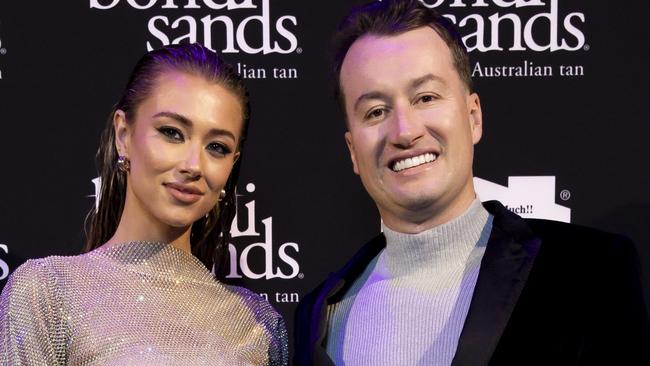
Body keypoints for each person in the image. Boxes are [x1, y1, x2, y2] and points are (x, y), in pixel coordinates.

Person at [294, 1, 650, 365]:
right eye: (376, 111)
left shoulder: (591, 272)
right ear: (354, 151)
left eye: (426, 97)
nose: (405, 130)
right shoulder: (317, 315)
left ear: (473, 116)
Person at [0, 43, 288, 365]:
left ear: (231, 164)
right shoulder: (48, 291)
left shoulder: (258, 326)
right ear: (124, 134)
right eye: (172, 132)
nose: (194, 165)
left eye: (217, 147)